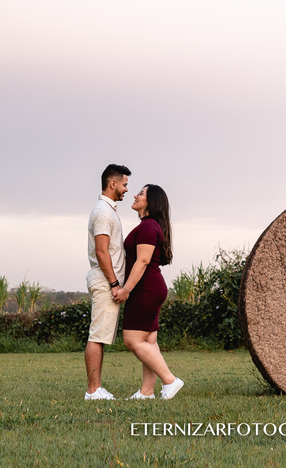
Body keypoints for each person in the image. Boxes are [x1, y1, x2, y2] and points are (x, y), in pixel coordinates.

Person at [113, 184, 184, 400]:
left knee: (132, 340)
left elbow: (142, 261)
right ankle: (147, 392)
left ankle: (171, 380)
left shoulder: (147, 227)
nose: (135, 195)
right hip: (151, 287)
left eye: (141, 193)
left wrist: (126, 289)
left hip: (145, 288)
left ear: (151, 202)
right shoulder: (151, 225)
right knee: (149, 341)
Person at [84, 163, 130, 401]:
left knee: (100, 336)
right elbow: (102, 252)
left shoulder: (108, 210)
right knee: (97, 335)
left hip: (106, 281)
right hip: (105, 282)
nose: (126, 190)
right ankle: (93, 390)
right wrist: (114, 284)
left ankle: (97, 387)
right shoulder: (103, 211)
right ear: (112, 184)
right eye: (124, 184)